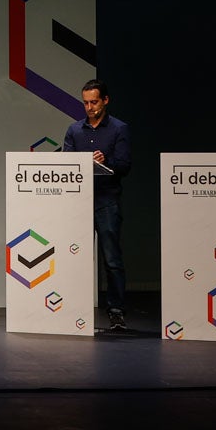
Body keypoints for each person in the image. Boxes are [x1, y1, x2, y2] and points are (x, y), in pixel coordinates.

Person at [62, 79, 132, 331]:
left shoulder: (118, 129)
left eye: (94, 102)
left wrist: (106, 160)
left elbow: (124, 165)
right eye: (86, 103)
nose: (89, 107)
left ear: (105, 100)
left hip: (106, 201)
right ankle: (73, 307)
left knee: (111, 258)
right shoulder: (74, 130)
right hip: (79, 203)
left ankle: (116, 311)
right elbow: (66, 162)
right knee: (74, 256)